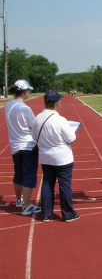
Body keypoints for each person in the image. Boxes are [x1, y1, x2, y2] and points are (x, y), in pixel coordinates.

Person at [32, 90, 80, 222]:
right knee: (64, 185)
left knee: (47, 183)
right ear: (56, 103)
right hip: (62, 157)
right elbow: (71, 138)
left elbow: (34, 137)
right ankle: (68, 214)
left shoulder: (38, 118)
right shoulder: (60, 120)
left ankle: (47, 214)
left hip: (46, 157)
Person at [4, 80, 41, 215]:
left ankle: (19, 200)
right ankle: (27, 205)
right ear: (25, 92)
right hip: (28, 145)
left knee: (18, 175)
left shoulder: (8, 105)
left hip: (15, 146)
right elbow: (34, 126)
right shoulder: (25, 109)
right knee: (29, 176)